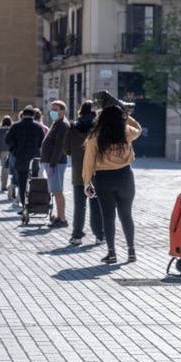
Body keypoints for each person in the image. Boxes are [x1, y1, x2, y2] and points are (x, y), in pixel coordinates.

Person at [82, 93, 141, 264]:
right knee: (126, 215)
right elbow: (138, 128)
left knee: (108, 216)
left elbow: (88, 161)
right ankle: (131, 252)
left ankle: (112, 253)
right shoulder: (126, 131)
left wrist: (87, 182)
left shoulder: (95, 135)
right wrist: (126, 114)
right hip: (125, 176)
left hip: (103, 179)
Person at [64, 102, 104, 246]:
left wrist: (76, 153)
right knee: (96, 206)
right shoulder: (98, 127)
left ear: (80, 111)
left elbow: (66, 149)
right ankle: (100, 235)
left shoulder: (72, 127)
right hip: (96, 171)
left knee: (79, 206)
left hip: (78, 172)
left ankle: (77, 236)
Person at [5, 106, 46, 208]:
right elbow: (42, 142)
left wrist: (13, 150)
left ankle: (24, 205)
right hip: (34, 160)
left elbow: (7, 139)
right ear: (33, 115)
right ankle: (32, 204)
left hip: (20, 158)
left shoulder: (15, 126)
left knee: (22, 183)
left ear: (23, 115)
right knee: (33, 182)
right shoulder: (38, 127)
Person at [41, 101, 70, 228]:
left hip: (56, 163)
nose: (52, 111)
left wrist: (52, 163)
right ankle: (59, 216)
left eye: (56, 109)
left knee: (57, 191)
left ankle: (62, 219)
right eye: (52, 109)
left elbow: (59, 146)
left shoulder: (62, 125)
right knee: (55, 190)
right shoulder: (57, 123)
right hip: (53, 162)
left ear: (63, 111)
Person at [0, 116, 12, 193]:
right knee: (7, 169)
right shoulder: (11, 130)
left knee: (3, 168)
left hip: (1, 151)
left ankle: (3, 185)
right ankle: (6, 185)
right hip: (9, 150)